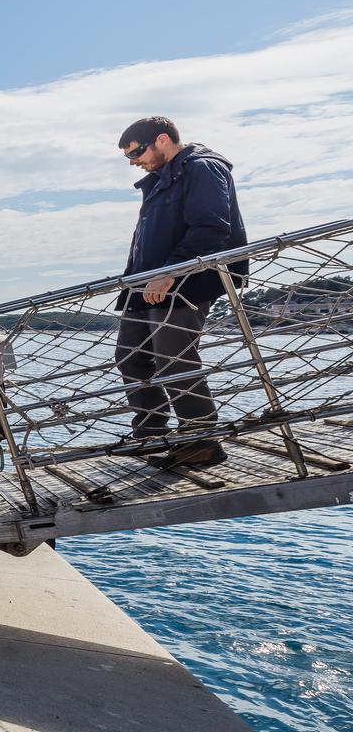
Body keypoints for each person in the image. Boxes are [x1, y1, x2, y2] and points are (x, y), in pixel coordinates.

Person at [115, 116, 247, 469]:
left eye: (137, 152)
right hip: (148, 282)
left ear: (162, 140)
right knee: (130, 354)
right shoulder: (162, 179)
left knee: (174, 357)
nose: (133, 161)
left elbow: (212, 226)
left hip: (186, 281)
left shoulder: (203, 168)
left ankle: (200, 439)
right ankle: (151, 434)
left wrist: (171, 273)